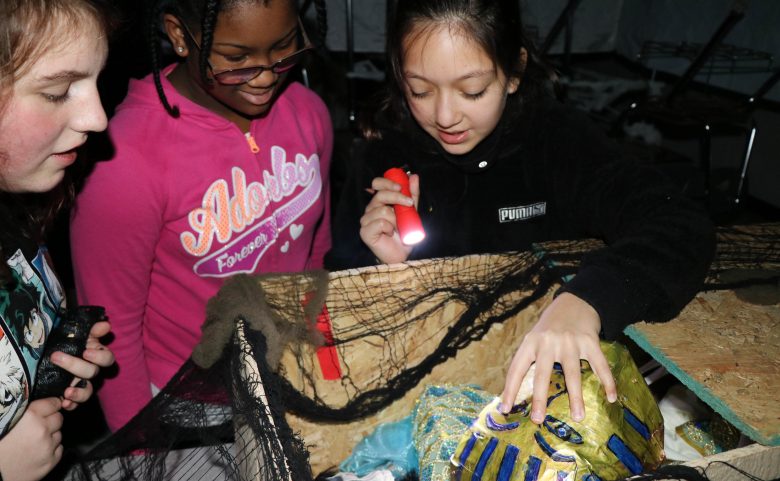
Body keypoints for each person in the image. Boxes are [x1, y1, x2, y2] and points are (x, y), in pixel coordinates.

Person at [325, 0, 715, 427]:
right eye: (419, 89)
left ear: (513, 72)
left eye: (472, 90)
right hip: (425, 401)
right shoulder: (379, 159)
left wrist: (588, 301)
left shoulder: (556, 140)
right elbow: (335, 322)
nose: (444, 115)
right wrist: (386, 271)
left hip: (547, 398)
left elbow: (679, 224)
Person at [70, 0, 333, 432]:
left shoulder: (307, 112)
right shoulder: (125, 161)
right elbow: (111, 328)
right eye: (236, 59)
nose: (266, 75)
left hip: (289, 381)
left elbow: (315, 251)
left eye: (284, 48)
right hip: (188, 412)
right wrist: (142, 452)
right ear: (178, 35)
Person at [0, 1, 116, 480]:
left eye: (94, 83)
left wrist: (48, 370)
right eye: (57, 92)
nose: (98, 118)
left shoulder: (19, 205)